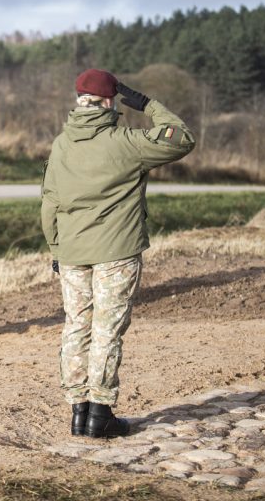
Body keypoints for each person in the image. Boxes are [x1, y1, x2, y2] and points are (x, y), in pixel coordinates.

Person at [41, 69, 196, 438]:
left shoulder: (61, 144)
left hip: (73, 252)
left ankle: (78, 413)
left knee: (76, 326)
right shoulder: (127, 141)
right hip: (117, 252)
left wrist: (56, 248)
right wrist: (148, 105)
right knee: (107, 330)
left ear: (78, 100)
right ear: (111, 102)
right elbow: (183, 138)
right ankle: (101, 414)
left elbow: (49, 203)